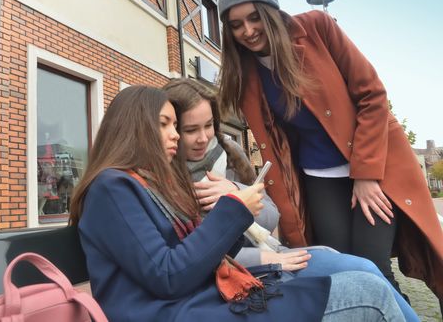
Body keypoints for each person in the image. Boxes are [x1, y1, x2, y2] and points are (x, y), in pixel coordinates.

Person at [70, 85, 405, 321]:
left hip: (203, 300)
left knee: (365, 283)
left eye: (176, 125)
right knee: (367, 292)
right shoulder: (111, 187)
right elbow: (168, 275)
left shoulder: (144, 184)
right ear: (133, 128)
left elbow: (192, 257)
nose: (175, 135)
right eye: (165, 125)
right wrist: (235, 209)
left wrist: (237, 213)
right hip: (180, 310)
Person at [216, 0, 443, 304]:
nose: (248, 30)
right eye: (236, 25)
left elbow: (372, 95)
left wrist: (366, 175)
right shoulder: (246, 73)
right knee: (339, 264)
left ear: (271, 11)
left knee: (372, 266)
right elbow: (275, 147)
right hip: (319, 177)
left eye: (255, 17)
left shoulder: (317, 28)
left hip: (373, 167)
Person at [164, 77, 418, 321]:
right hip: (247, 271)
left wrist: (235, 191)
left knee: (367, 269)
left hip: (277, 254)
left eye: (208, 126)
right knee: (366, 287)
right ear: (172, 130)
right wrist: (267, 259)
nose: (203, 138)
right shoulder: (163, 178)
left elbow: (271, 216)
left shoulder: (231, 153)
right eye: (190, 130)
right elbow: (187, 258)